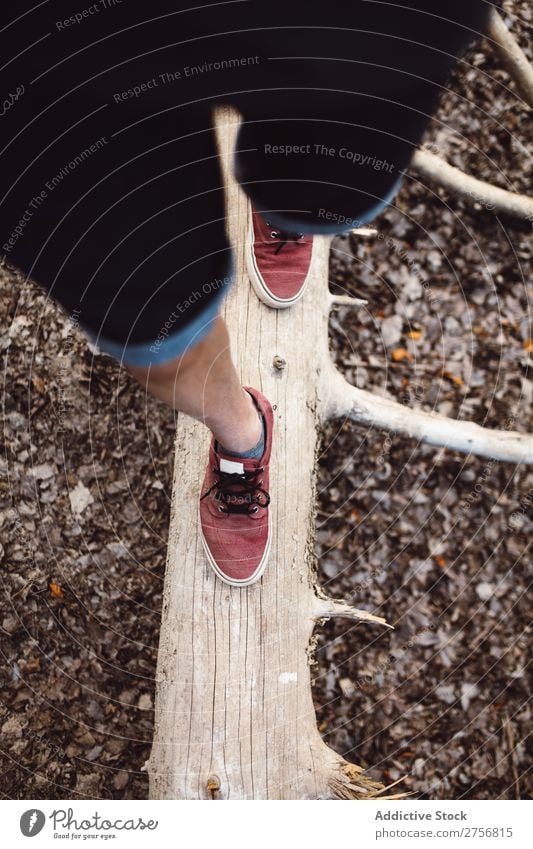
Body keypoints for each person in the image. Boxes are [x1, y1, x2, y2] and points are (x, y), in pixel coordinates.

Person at [0, 1, 488, 586]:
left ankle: (288, 207)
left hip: (357, 26)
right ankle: (245, 437)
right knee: (152, 328)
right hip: (44, 48)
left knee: (326, 181)